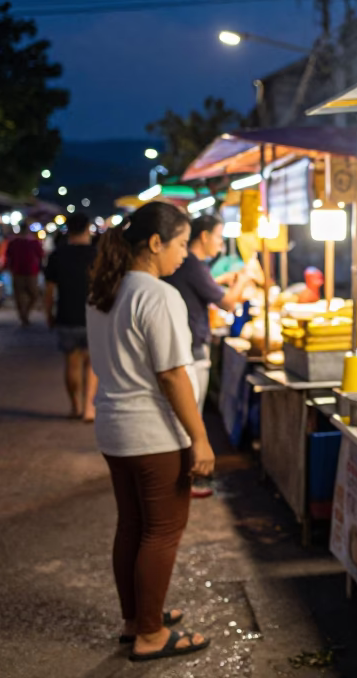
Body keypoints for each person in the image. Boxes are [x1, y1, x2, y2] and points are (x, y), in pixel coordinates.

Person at [87, 201, 212, 661]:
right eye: (180, 243)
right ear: (155, 243)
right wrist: (199, 437)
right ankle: (152, 635)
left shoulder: (105, 290)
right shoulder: (157, 295)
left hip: (115, 429)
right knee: (162, 531)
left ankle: (137, 618)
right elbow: (173, 374)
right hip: (154, 434)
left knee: (133, 525)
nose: (184, 254)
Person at [163, 215, 252, 498]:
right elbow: (226, 302)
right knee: (191, 416)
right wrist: (244, 278)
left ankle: (182, 477)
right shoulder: (191, 264)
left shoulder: (191, 266)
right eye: (218, 236)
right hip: (191, 349)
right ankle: (187, 479)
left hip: (188, 345)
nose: (221, 243)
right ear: (203, 237)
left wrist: (222, 279)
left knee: (186, 414)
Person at [45, 213, 99, 420]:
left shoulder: (58, 255)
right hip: (93, 316)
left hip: (66, 315)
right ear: (87, 229)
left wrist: (49, 313)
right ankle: (88, 408)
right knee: (92, 364)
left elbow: (49, 290)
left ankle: (75, 406)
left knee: (72, 363)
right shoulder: (96, 254)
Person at [5, 225, 44, 326]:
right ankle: (23, 316)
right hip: (25, 272)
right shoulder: (29, 242)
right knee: (26, 295)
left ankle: (24, 314)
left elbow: (8, 256)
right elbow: (41, 255)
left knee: (28, 295)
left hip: (25, 272)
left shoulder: (17, 243)